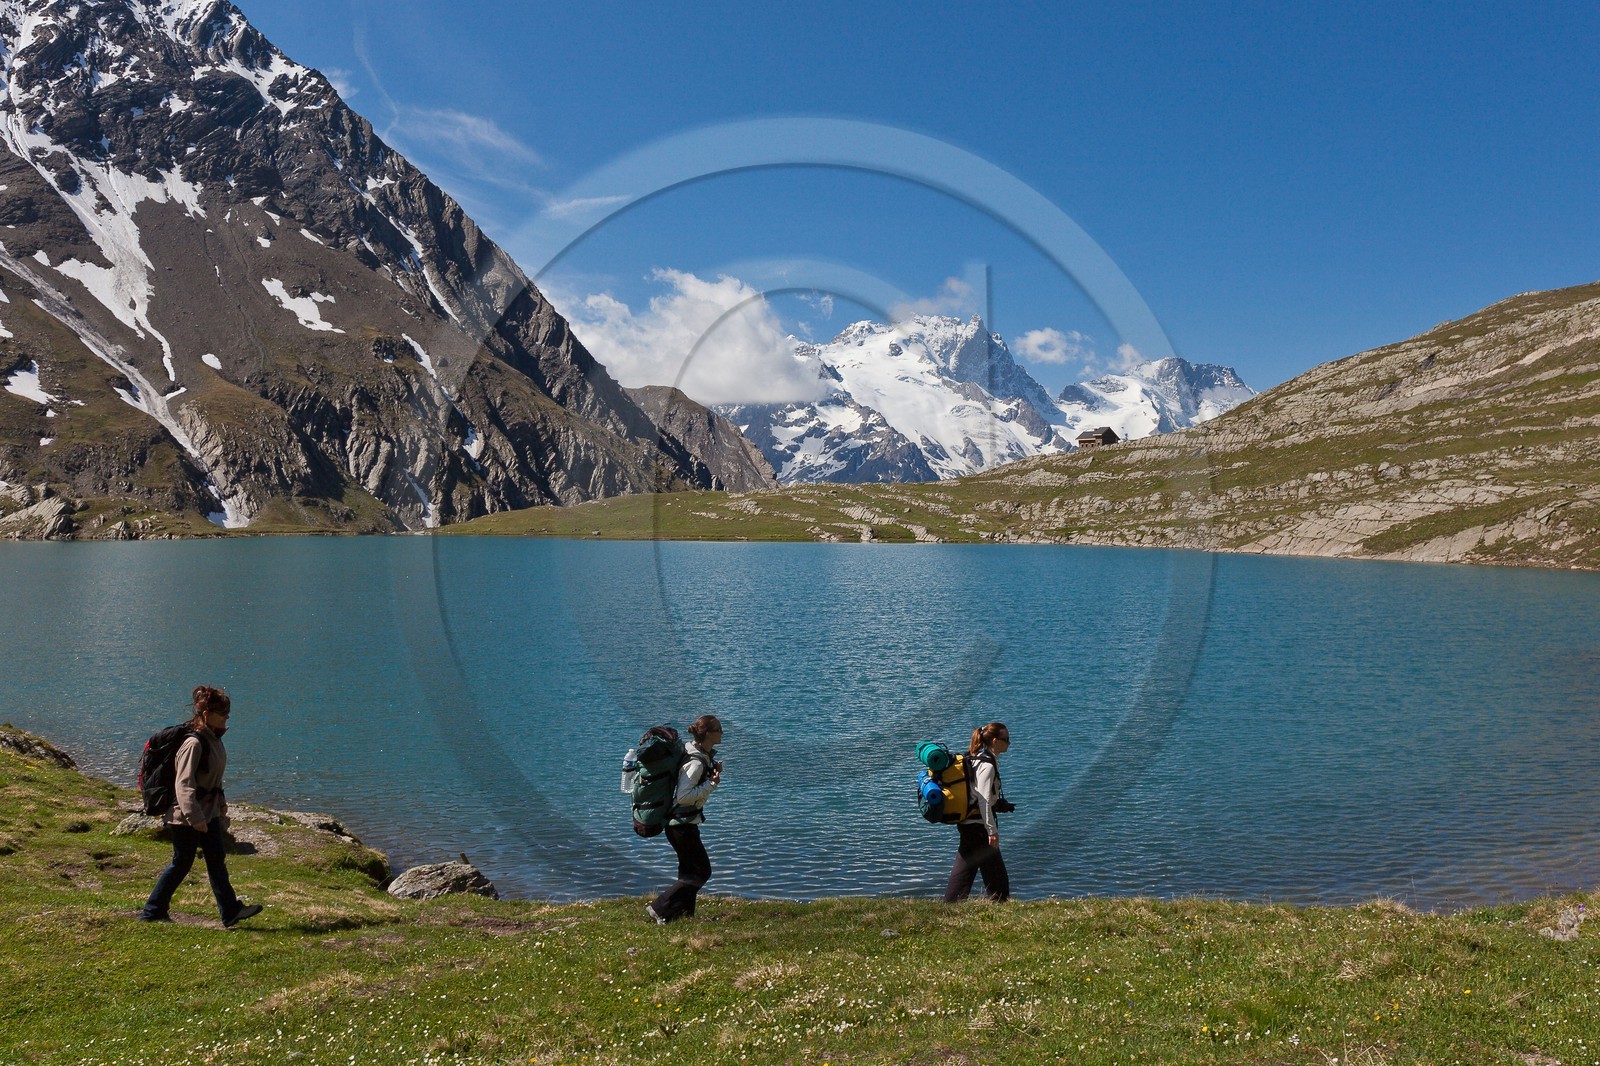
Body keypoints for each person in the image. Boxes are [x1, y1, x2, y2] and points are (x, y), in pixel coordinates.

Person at [140, 686, 263, 928]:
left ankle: (230, 912)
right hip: (187, 816)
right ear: (206, 715)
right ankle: (152, 911)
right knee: (181, 863)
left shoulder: (214, 739)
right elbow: (183, 783)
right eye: (222, 712)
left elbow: (213, 779)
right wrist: (194, 816)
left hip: (208, 813)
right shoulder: (194, 743)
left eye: (228, 712)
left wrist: (221, 804)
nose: (227, 716)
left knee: (216, 860)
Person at [646, 715, 723, 924]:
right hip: (681, 825)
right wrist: (712, 784)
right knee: (702, 871)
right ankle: (658, 907)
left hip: (682, 824)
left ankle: (683, 916)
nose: (722, 733)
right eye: (718, 729)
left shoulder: (696, 752)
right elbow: (683, 796)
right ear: (707, 733)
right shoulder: (696, 762)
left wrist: (710, 778)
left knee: (689, 873)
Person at [945, 721, 1012, 903]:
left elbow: (979, 795)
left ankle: (951, 904)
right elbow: (982, 799)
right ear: (996, 741)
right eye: (1006, 739)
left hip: (969, 824)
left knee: (966, 868)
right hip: (979, 827)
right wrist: (992, 831)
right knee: (997, 877)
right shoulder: (988, 765)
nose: (1010, 743)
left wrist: (999, 805)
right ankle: (1001, 904)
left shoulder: (976, 758)